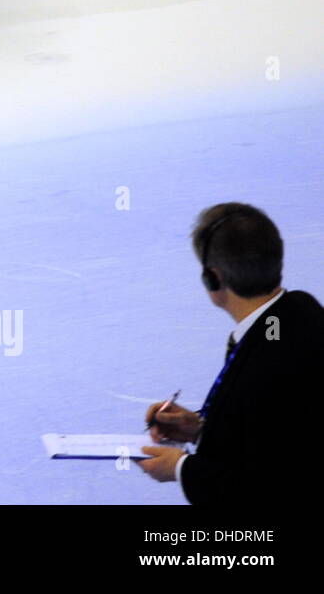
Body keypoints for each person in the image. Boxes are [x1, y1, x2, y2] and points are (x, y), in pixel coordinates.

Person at [139, 203, 324, 504]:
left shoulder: (260, 368)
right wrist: (204, 429)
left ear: (213, 280)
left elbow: (256, 487)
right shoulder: (301, 310)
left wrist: (180, 468)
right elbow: (278, 432)